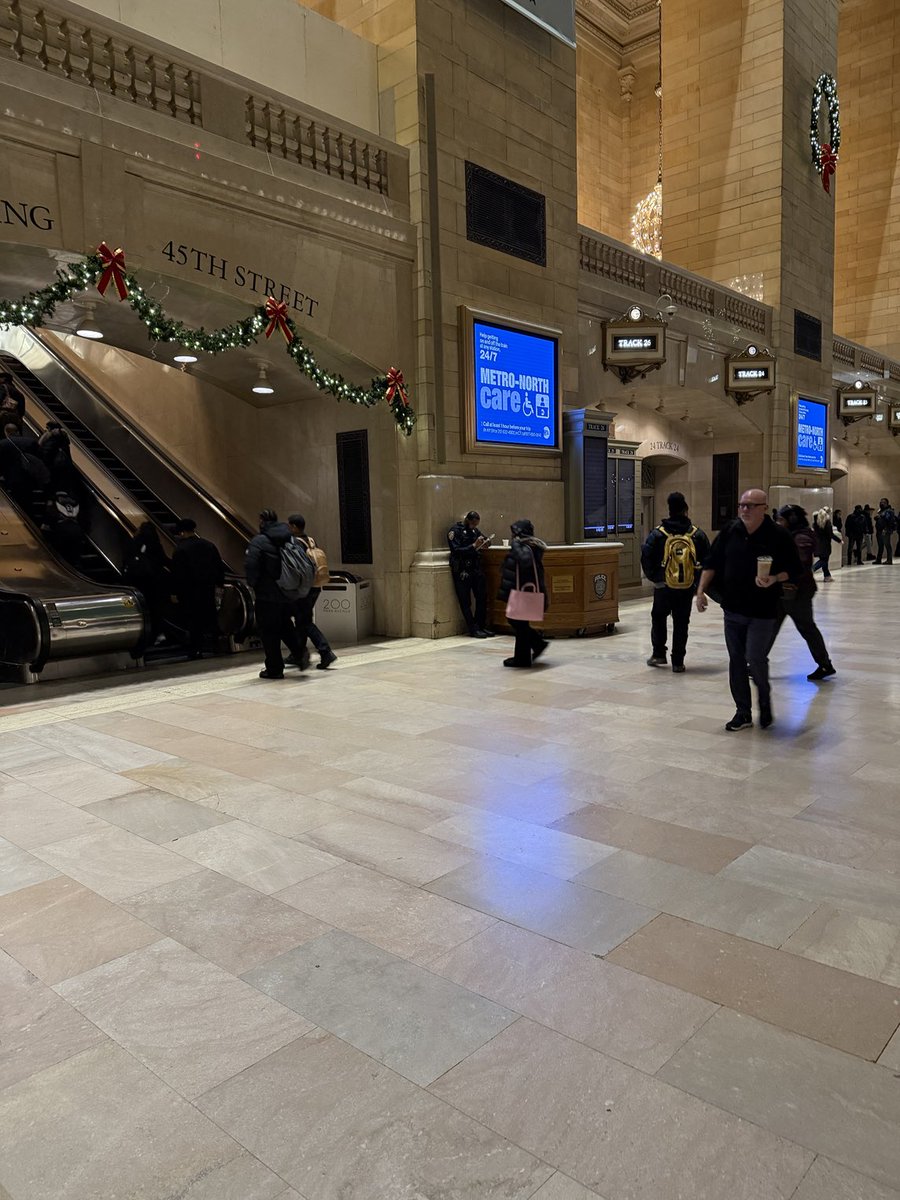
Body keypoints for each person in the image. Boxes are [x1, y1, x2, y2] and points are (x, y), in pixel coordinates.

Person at [695, 488, 801, 731]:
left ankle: (764, 698)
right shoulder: (731, 531)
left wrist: (774, 578)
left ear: (764, 507)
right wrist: (701, 591)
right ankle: (742, 712)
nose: (744, 509)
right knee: (736, 660)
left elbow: (795, 569)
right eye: (742, 505)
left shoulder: (778, 535)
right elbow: (711, 562)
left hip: (763, 610)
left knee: (754, 657)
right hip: (732, 608)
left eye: (750, 505)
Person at [640, 491, 710, 673]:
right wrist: (697, 583)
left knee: (658, 617)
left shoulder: (658, 534)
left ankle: (658, 654)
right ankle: (678, 661)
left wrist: (657, 578)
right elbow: (708, 560)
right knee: (681, 622)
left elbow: (646, 557)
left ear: (669, 509)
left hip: (663, 587)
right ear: (685, 509)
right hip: (686, 587)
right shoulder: (696, 534)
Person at [771, 505, 836, 681]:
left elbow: (800, 562)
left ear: (791, 520)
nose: (778, 523)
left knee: (807, 628)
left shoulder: (802, 537)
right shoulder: (790, 535)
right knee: (771, 625)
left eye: (781, 520)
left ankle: (824, 664)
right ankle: (755, 662)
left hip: (797, 592)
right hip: (783, 591)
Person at [245, 508, 306, 679]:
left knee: (269, 632)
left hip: (266, 596)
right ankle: (300, 654)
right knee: (286, 626)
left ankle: (274, 668)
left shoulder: (259, 541)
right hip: (287, 592)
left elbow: (251, 566)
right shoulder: (289, 537)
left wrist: (253, 584)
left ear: (262, 521)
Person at [286, 513, 337, 671]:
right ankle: (297, 654)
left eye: (289, 525)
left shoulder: (295, 543)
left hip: (304, 588)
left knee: (304, 621)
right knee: (302, 621)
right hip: (316, 586)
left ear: (294, 527)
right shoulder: (311, 541)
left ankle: (325, 651)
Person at [170, 517, 225, 659]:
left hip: (190, 591)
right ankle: (216, 645)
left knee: (194, 620)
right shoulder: (209, 545)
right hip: (208, 588)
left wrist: (175, 592)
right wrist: (219, 584)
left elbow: (178, 574)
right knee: (211, 616)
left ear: (182, 533)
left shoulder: (180, 550)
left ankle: (196, 649)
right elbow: (219, 567)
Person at [496, 518, 548, 668]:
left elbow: (524, 561)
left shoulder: (527, 546)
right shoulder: (528, 546)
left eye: (514, 533)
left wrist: (516, 544)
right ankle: (525, 655)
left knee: (517, 622)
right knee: (520, 623)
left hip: (524, 592)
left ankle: (533, 648)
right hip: (520, 591)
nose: (512, 536)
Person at [447, 510, 495, 638]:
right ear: (468, 520)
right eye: (473, 523)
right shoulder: (455, 531)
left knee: (482, 597)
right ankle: (472, 628)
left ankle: (480, 625)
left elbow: (482, 540)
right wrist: (473, 546)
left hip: (475, 567)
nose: (475, 526)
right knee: (465, 601)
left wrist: (486, 543)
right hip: (462, 569)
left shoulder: (474, 531)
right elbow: (456, 550)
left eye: (476, 524)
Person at [123, 521, 171, 641]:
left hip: (138, 582)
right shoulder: (155, 543)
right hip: (155, 582)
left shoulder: (133, 542)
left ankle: (143, 634)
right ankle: (157, 633)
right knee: (156, 607)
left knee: (141, 607)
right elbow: (163, 560)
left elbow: (126, 560)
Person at [0, 421, 48, 510]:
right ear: (17, 431)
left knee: (16, 502)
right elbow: (39, 458)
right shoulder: (31, 442)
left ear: (6, 432)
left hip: (13, 479)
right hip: (30, 477)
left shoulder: (3, 443)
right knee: (29, 501)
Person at [812, 506, 840, 580]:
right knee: (823, 560)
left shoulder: (816, 523)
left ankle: (827, 576)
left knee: (824, 560)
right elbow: (830, 534)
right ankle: (812, 569)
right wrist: (839, 540)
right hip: (825, 544)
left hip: (817, 544)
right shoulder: (827, 523)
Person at [874, 498, 896, 564]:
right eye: (880, 502)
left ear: (887, 503)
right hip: (879, 530)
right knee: (880, 546)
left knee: (887, 545)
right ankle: (878, 559)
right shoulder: (881, 511)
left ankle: (889, 560)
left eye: (883, 502)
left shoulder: (889, 511)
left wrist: (886, 529)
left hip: (885, 530)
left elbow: (889, 521)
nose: (881, 503)